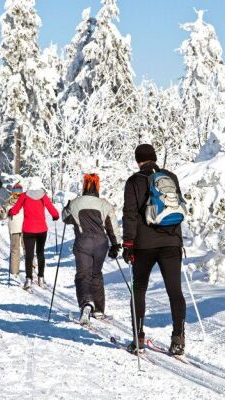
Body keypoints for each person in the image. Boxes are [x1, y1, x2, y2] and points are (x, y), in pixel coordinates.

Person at [122, 144, 187, 355]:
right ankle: (178, 338)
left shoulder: (134, 181)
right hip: (171, 242)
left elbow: (130, 214)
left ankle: (138, 337)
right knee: (175, 291)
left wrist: (128, 244)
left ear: (137, 160)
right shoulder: (170, 177)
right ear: (155, 158)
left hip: (144, 244)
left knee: (139, 289)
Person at [63, 173, 121, 325]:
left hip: (83, 243)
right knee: (96, 274)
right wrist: (116, 245)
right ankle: (99, 310)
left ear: (84, 185)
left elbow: (65, 218)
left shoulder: (75, 203)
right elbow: (112, 226)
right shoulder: (105, 204)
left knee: (83, 275)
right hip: (101, 244)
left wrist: (67, 206)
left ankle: (87, 302)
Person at [9, 177, 59, 290]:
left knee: (29, 255)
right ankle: (41, 278)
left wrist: (10, 212)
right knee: (40, 253)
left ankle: (28, 279)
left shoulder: (24, 196)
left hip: (28, 230)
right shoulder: (43, 196)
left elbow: (15, 210)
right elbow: (53, 211)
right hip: (42, 230)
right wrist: (55, 216)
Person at [0, 181, 27, 283]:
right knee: (27, 249)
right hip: (25, 227)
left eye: (17, 193)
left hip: (14, 228)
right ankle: (31, 270)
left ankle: (14, 271)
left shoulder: (8, 203)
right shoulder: (26, 201)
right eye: (17, 193)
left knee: (15, 250)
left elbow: (3, 216)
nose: (17, 195)